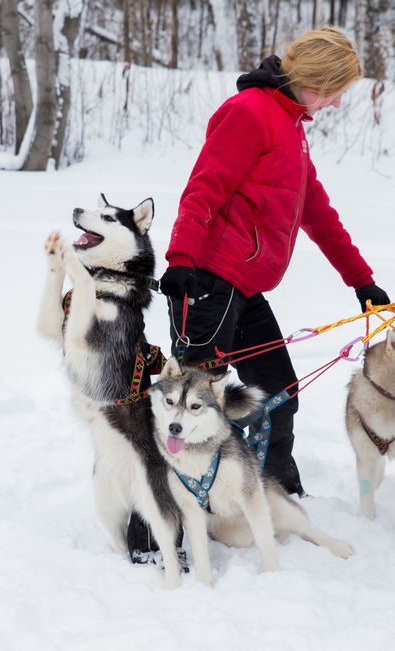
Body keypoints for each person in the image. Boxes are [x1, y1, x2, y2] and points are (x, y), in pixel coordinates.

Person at [159, 26, 390, 497]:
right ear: (317, 81)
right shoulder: (250, 113)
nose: (337, 104)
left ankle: (272, 492)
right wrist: (182, 257)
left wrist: (361, 281)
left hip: (243, 288)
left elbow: (317, 213)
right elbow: (204, 187)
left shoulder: (290, 128)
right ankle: (160, 527)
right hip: (207, 283)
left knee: (277, 393)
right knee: (190, 411)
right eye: (335, 93)